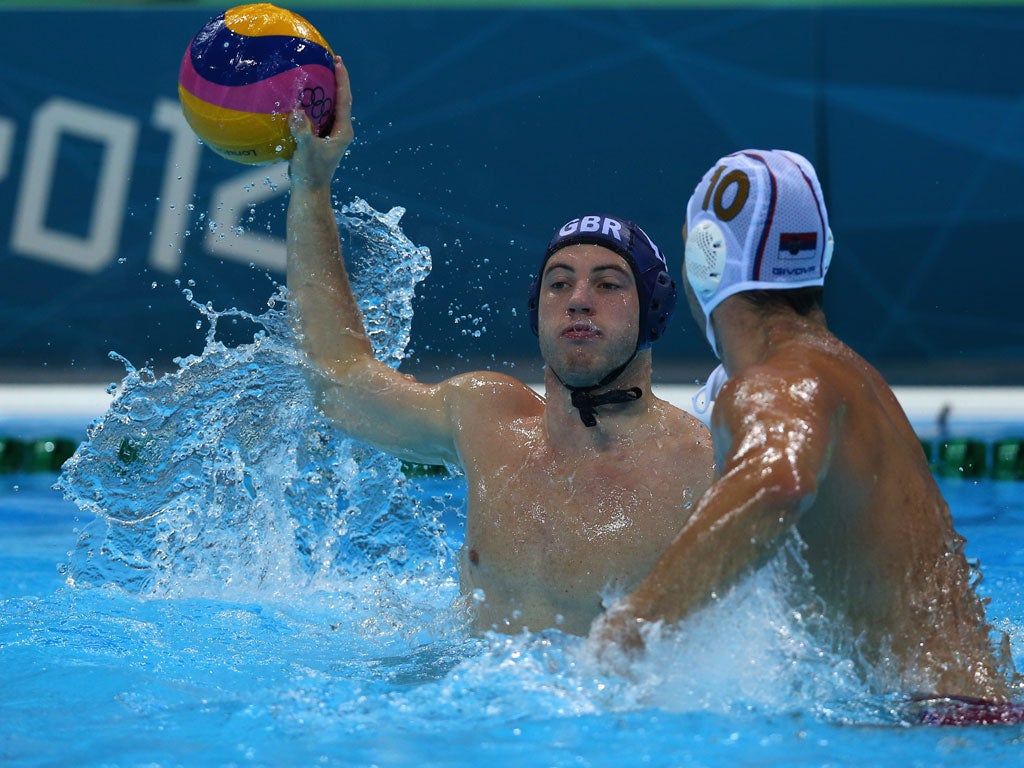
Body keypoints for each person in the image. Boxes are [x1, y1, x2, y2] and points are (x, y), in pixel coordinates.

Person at [285, 56, 714, 636]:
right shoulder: (486, 422)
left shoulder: (702, 464)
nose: (579, 299)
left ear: (654, 311)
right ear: (537, 309)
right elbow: (339, 382)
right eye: (559, 283)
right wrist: (311, 188)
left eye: (610, 284)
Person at [591, 149, 1019, 713]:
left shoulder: (774, 383)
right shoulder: (848, 373)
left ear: (706, 259)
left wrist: (631, 627)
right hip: (966, 714)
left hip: (937, 724)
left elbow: (777, 483)